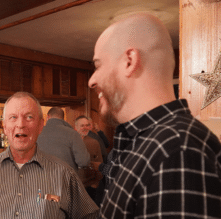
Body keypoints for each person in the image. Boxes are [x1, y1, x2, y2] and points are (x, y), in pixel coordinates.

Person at [88, 13, 221, 218]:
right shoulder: (144, 143)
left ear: (129, 61)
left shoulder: (177, 150)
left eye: (98, 66)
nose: (92, 81)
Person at [0, 92, 99, 219]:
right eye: (13, 117)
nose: (20, 124)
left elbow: (90, 215)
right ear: (5, 127)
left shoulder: (64, 174)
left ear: (41, 125)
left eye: (29, 117)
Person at [37, 107, 90, 171]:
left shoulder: (37, 132)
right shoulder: (73, 134)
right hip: (66, 178)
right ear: (63, 118)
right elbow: (83, 161)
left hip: (40, 178)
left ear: (48, 116)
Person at [75, 115, 103, 201]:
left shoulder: (94, 142)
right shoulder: (69, 141)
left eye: (87, 125)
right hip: (74, 185)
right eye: (82, 125)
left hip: (89, 186)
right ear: (76, 127)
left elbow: (100, 163)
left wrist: (96, 183)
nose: (85, 128)